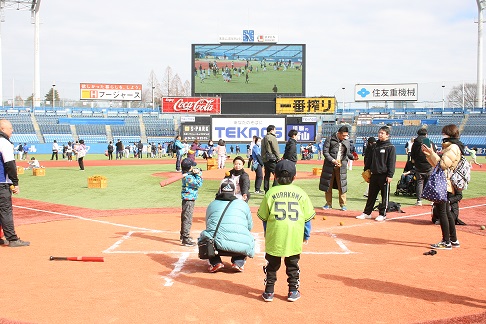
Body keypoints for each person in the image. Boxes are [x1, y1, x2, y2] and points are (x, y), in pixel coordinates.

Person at [257, 159, 315, 302]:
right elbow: (307, 220)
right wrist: (306, 235)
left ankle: (269, 292)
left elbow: (264, 218)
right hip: (294, 235)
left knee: (272, 265)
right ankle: (293, 291)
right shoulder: (301, 193)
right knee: (293, 265)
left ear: (274, 176)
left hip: (275, 235)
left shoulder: (270, 193)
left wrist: (267, 233)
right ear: (295, 177)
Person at [198, 178, 254, 273]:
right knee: (248, 237)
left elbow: (208, 225)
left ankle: (215, 262)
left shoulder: (212, 204)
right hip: (240, 246)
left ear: (220, 190)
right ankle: (238, 261)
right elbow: (250, 227)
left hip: (217, 246)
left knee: (204, 236)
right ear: (234, 191)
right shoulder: (243, 204)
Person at [422, 124, 463, 250]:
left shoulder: (453, 147)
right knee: (447, 212)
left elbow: (443, 165)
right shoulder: (450, 147)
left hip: (444, 183)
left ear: (449, 134)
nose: (442, 135)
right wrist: (429, 154)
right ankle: (453, 239)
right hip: (445, 182)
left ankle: (446, 241)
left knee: (443, 212)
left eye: (444, 133)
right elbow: (437, 164)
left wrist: (432, 153)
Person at [356, 126, 396, 222]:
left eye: (382, 133)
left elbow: (392, 162)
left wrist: (390, 175)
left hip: (384, 175)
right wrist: (366, 170)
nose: (380, 134)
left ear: (387, 135)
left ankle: (382, 214)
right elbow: (369, 159)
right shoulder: (374, 146)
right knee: (371, 195)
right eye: (379, 133)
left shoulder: (390, 147)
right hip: (374, 174)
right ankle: (367, 213)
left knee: (384, 196)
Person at [0, 119, 30, 247]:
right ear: (2, 129)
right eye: (10, 128)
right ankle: (12, 239)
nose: (12, 130)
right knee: (5, 210)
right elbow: (10, 164)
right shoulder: (4, 143)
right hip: (2, 182)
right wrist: (15, 182)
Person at [319, 126, 354, 211]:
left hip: (341, 167)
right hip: (329, 166)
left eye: (346, 135)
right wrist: (333, 160)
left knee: (342, 186)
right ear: (338, 133)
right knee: (328, 186)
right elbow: (325, 152)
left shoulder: (346, 141)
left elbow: (347, 153)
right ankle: (328, 203)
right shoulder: (329, 139)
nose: (344, 137)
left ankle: (343, 204)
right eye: (343, 135)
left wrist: (352, 157)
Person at [179, 158, 203, 247]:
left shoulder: (187, 174)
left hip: (188, 198)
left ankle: (183, 234)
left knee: (185, 216)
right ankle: (185, 238)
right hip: (189, 199)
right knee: (187, 218)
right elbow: (198, 183)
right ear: (189, 168)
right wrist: (199, 173)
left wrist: (194, 172)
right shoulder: (188, 177)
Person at [410, 128, 436, 206]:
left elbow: (412, 155)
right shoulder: (428, 142)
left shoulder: (415, 143)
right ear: (426, 134)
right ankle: (432, 200)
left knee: (419, 182)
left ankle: (419, 200)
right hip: (428, 165)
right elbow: (433, 153)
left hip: (418, 166)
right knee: (430, 183)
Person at [261, 125, 280, 193]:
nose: (275, 131)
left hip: (265, 159)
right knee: (278, 174)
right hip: (272, 159)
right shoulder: (272, 137)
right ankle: (273, 190)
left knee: (267, 176)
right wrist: (278, 158)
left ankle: (266, 190)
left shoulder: (263, 138)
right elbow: (275, 149)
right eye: (275, 130)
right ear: (272, 130)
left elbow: (262, 150)